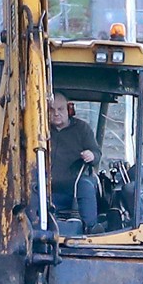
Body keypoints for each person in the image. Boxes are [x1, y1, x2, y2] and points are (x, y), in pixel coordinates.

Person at [48, 92, 103, 233]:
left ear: (69, 109)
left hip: (73, 189)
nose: (56, 113)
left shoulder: (82, 129)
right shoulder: (40, 130)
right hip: (45, 190)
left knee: (85, 184)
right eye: (51, 110)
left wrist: (91, 155)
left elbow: (97, 154)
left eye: (60, 109)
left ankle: (92, 229)